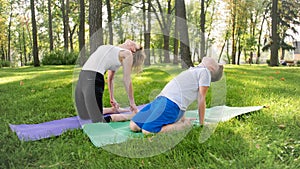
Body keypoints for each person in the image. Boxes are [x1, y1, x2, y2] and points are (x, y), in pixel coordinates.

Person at [130, 57, 224, 134]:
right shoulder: (193, 70)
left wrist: (202, 123)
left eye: (216, 63)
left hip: (171, 104)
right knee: (134, 125)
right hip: (161, 99)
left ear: (211, 68)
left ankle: (184, 125)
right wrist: (182, 117)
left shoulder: (205, 72)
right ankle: (179, 121)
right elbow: (183, 92)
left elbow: (201, 99)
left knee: (147, 131)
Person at [75, 40, 145, 123]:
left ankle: (130, 116)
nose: (130, 41)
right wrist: (112, 98)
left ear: (133, 49)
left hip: (93, 80)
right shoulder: (114, 50)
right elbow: (110, 79)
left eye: (134, 43)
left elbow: (127, 79)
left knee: (98, 121)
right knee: (84, 115)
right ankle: (112, 110)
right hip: (82, 78)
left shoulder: (127, 53)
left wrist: (132, 103)